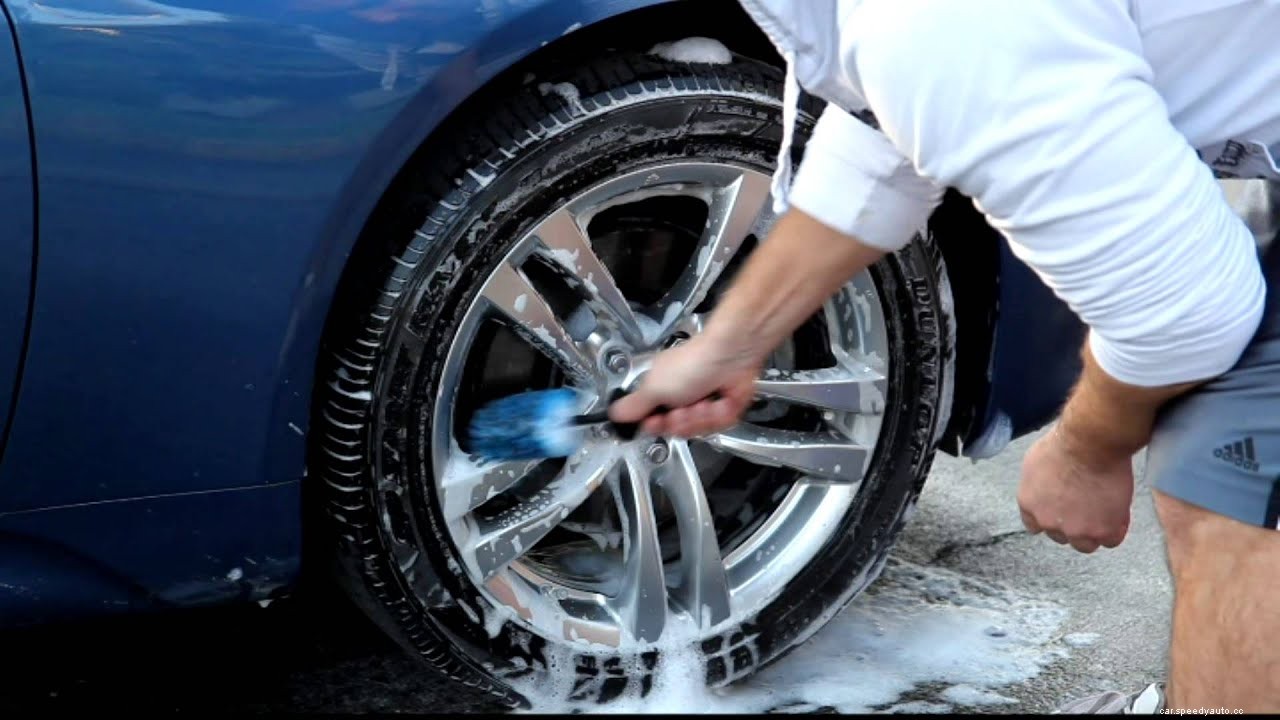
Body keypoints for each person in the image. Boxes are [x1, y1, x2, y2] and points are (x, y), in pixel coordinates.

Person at [608, 0, 1280, 713]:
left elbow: (1183, 316)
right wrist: (727, 346)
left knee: (1228, 479)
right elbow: (889, 138)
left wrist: (1085, 452)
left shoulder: (936, 23)